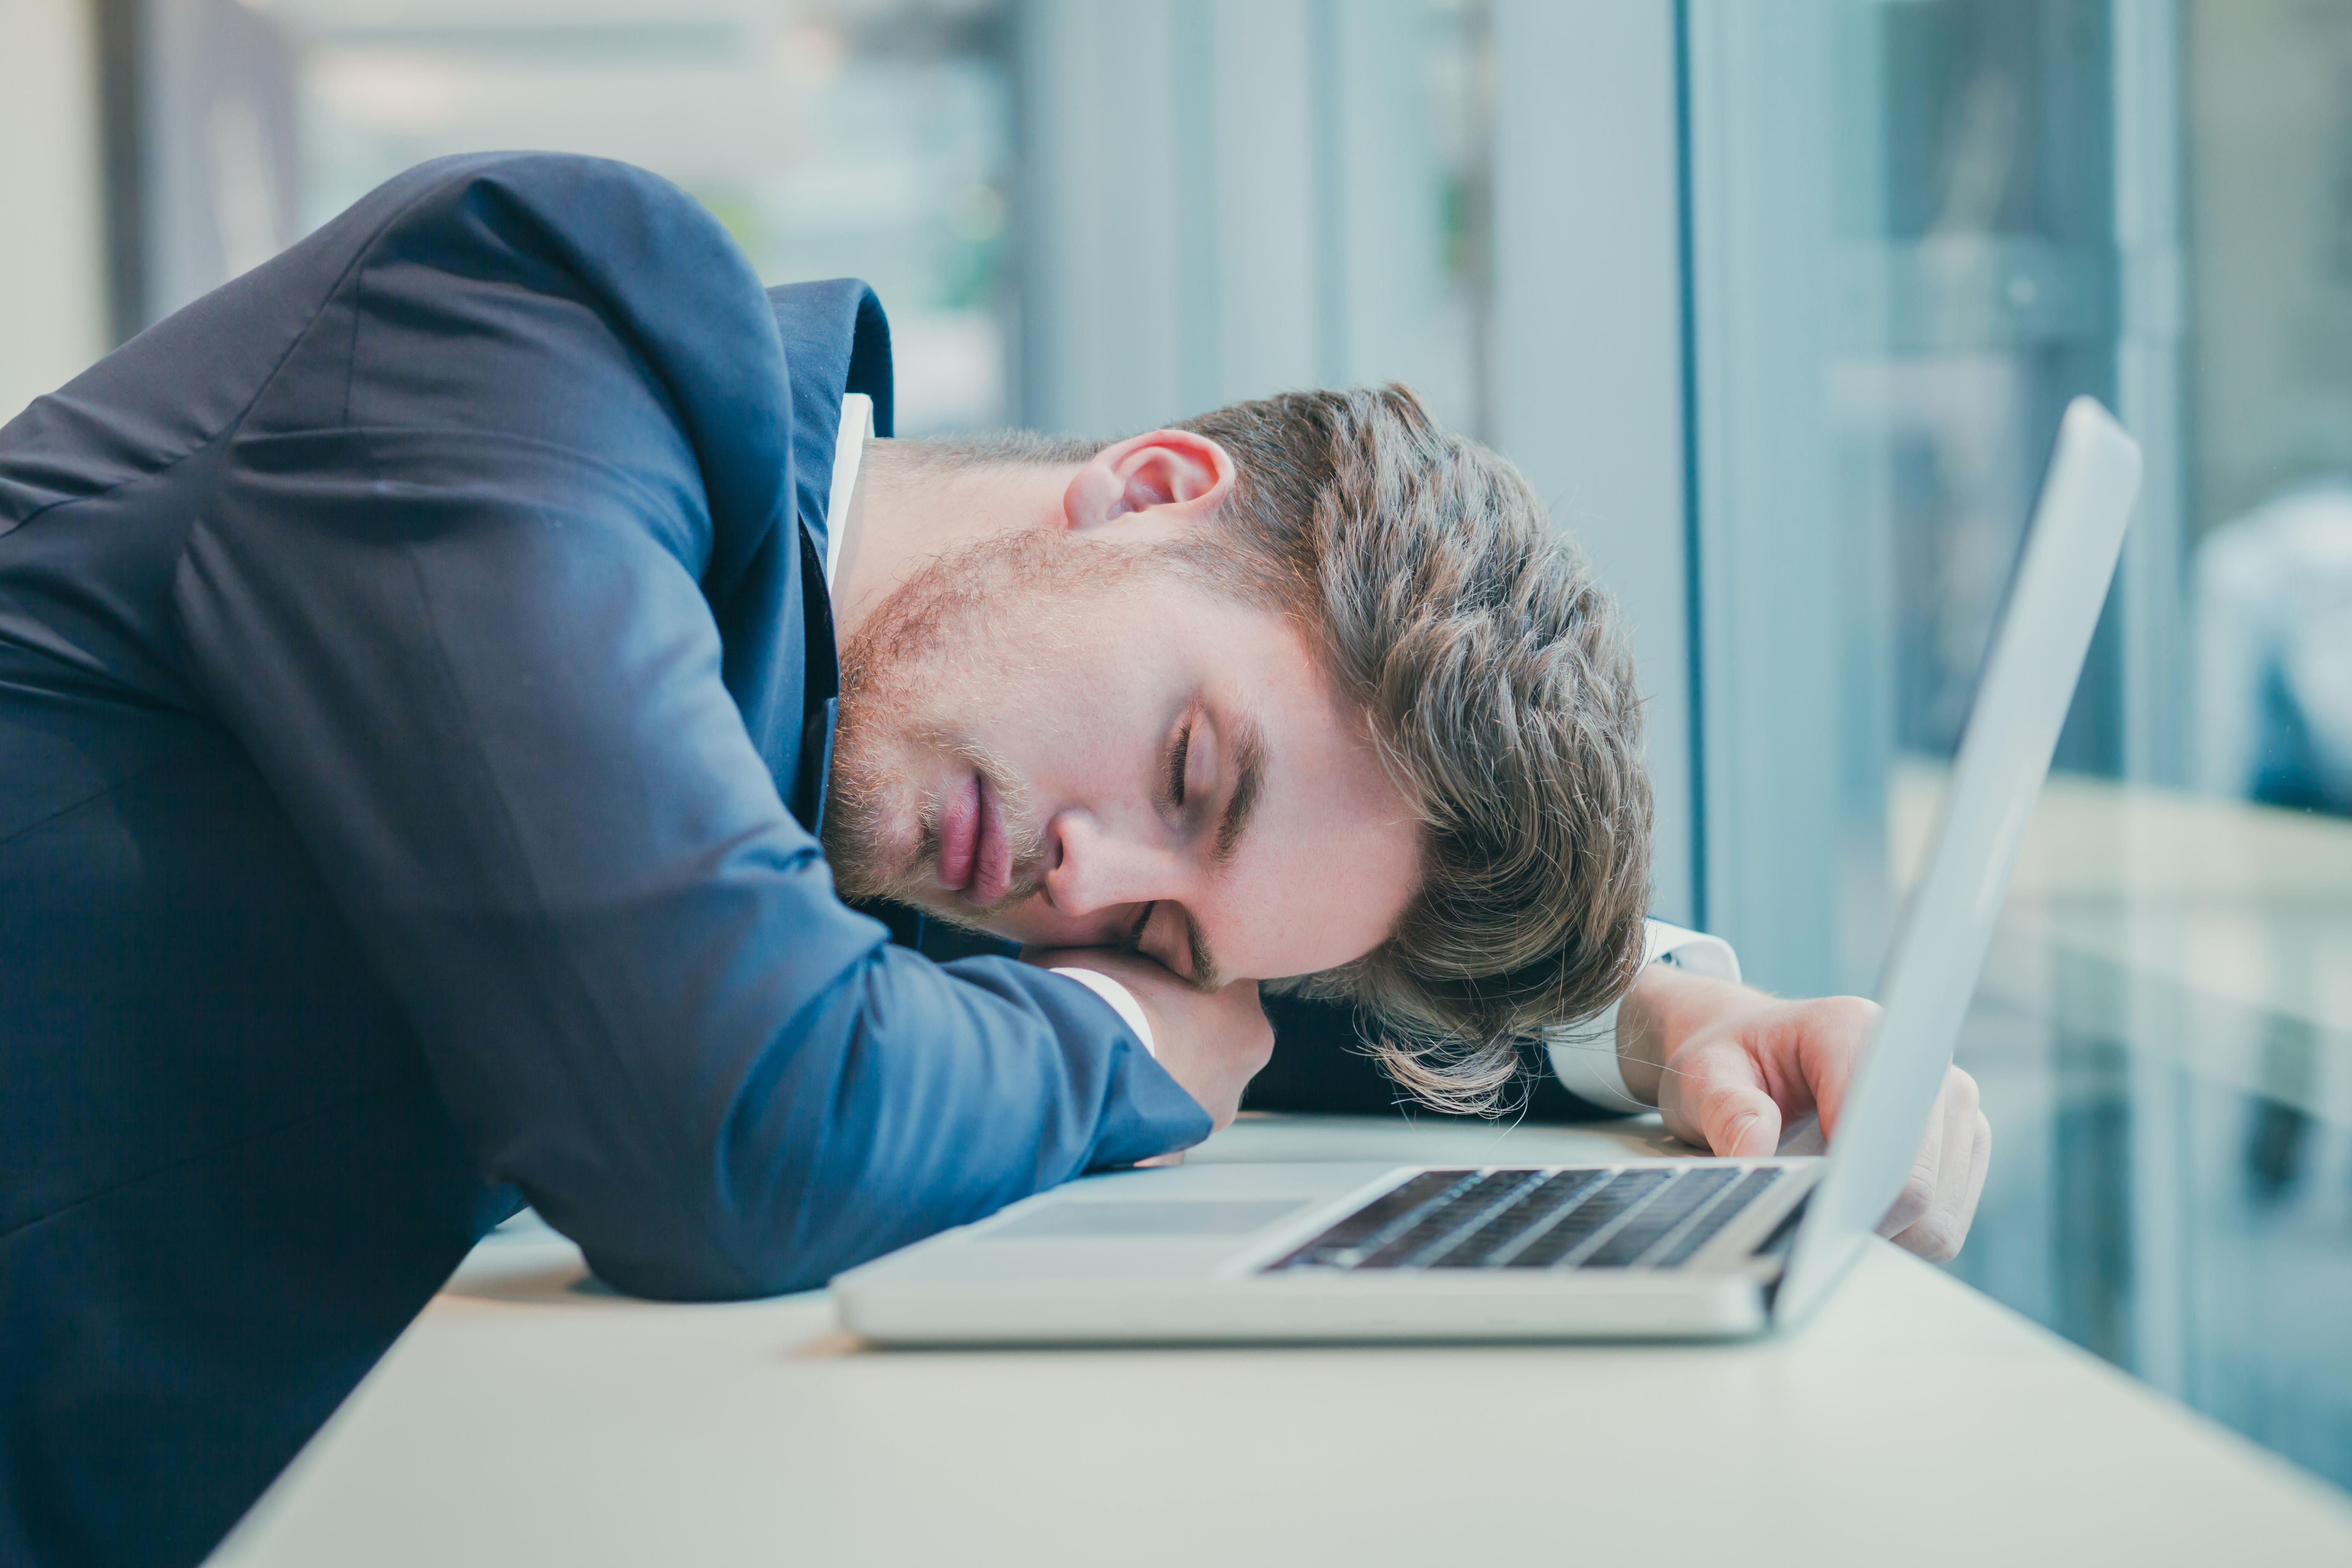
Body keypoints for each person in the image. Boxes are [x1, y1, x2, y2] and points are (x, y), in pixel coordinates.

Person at [0, 153, 1989, 1568]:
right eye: (1192, 767)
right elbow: (724, 1130)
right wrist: (1115, 1034)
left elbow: (1229, 1003)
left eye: (1157, 928)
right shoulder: (541, 326)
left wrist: (1665, 1018)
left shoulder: (917, 765)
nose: (1075, 877)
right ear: (1149, 493)